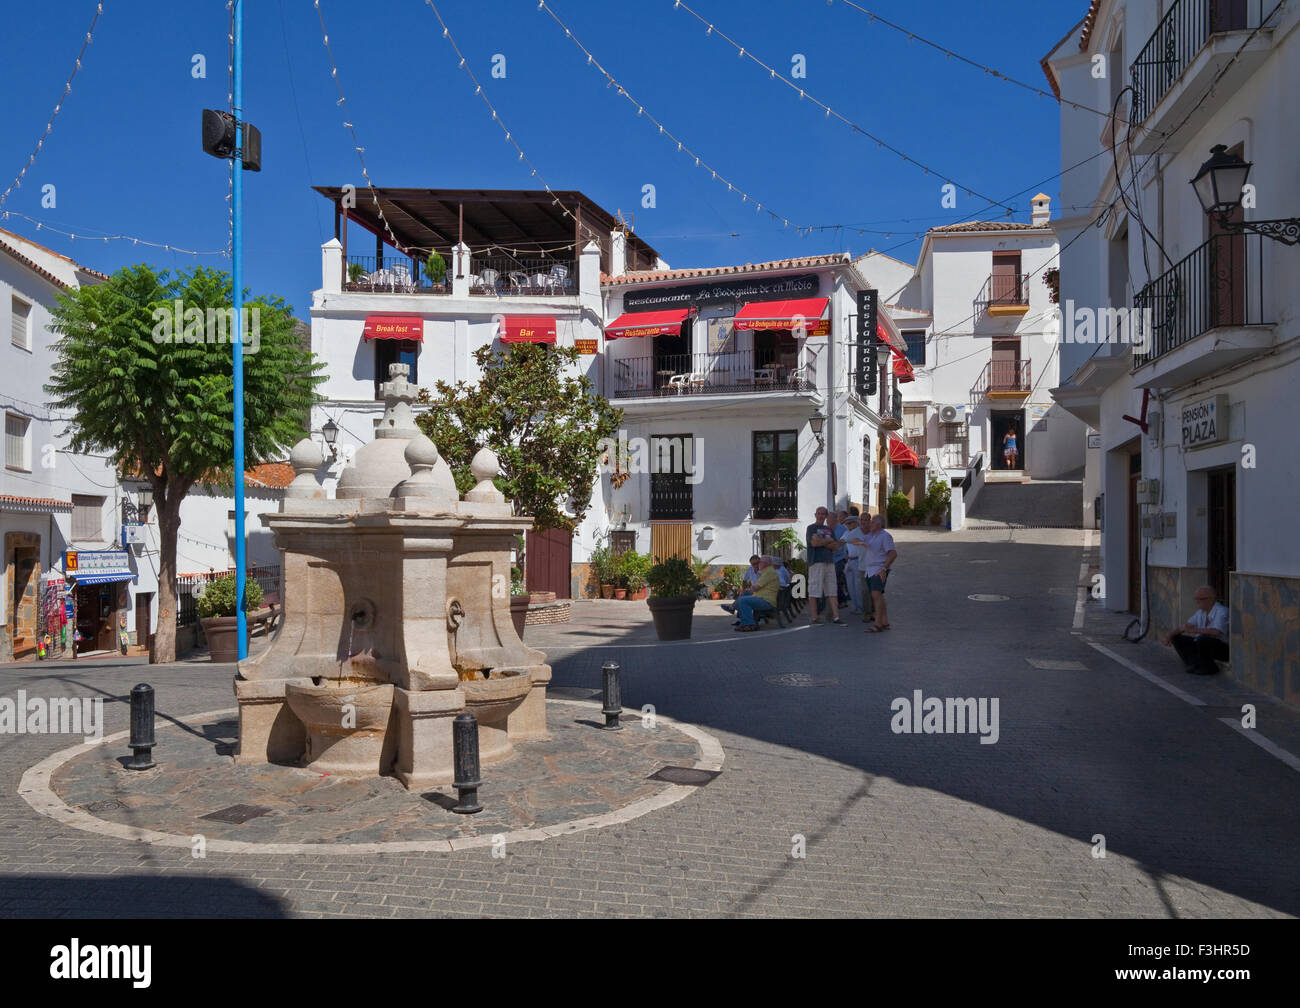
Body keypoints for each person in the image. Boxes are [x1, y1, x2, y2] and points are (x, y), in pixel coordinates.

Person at [1162, 586, 1229, 675]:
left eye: (1200, 599)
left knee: (1202, 640)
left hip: (1222, 648)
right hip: (1205, 644)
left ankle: (1209, 668)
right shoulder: (1201, 612)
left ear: (1211, 599)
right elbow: (1185, 627)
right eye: (1196, 599)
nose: (1197, 602)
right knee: (1177, 638)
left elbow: (1216, 631)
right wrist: (1170, 635)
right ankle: (1194, 664)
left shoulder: (1221, 611)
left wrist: (1194, 630)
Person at [805, 506, 845, 625]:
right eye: (819, 513)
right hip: (816, 562)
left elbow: (835, 546)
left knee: (832, 590)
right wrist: (828, 541)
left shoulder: (829, 529)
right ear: (815, 514)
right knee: (814, 590)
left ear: (826, 516)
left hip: (829, 562)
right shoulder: (811, 528)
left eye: (823, 514)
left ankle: (836, 617)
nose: (821, 515)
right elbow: (813, 543)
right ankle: (814, 617)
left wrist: (822, 541)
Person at [862, 514, 898, 633]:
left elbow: (893, 554)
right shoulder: (871, 535)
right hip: (870, 570)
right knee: (878, 595)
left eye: (872, 522)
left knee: (876, 595)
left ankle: (877, 624)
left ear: (879, 524)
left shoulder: (885, 536)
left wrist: (884, 568)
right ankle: (885, 621)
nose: (870, 524)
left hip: (878, 569)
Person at [734, 556, 781, 631]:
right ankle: (744, 623)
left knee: (743, 601)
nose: (758, 564)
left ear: (765, 564)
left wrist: (749, 589)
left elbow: (756, 587)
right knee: (742, 599)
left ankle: (749, 624)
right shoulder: (767, 571)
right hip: (763, 598)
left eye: (760, 562)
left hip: (766, 601)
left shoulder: (768, 572)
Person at [842, 515, 867, 615]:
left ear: (856, 523)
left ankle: (861, 607)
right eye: (846, 524)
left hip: (858, 561)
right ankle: (855, 606)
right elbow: (841, 542)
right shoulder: (847, 533)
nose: (848, 525)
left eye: (850, 523)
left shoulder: (860, 532)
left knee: (858, 586)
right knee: (850, 586)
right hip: (850, 561)